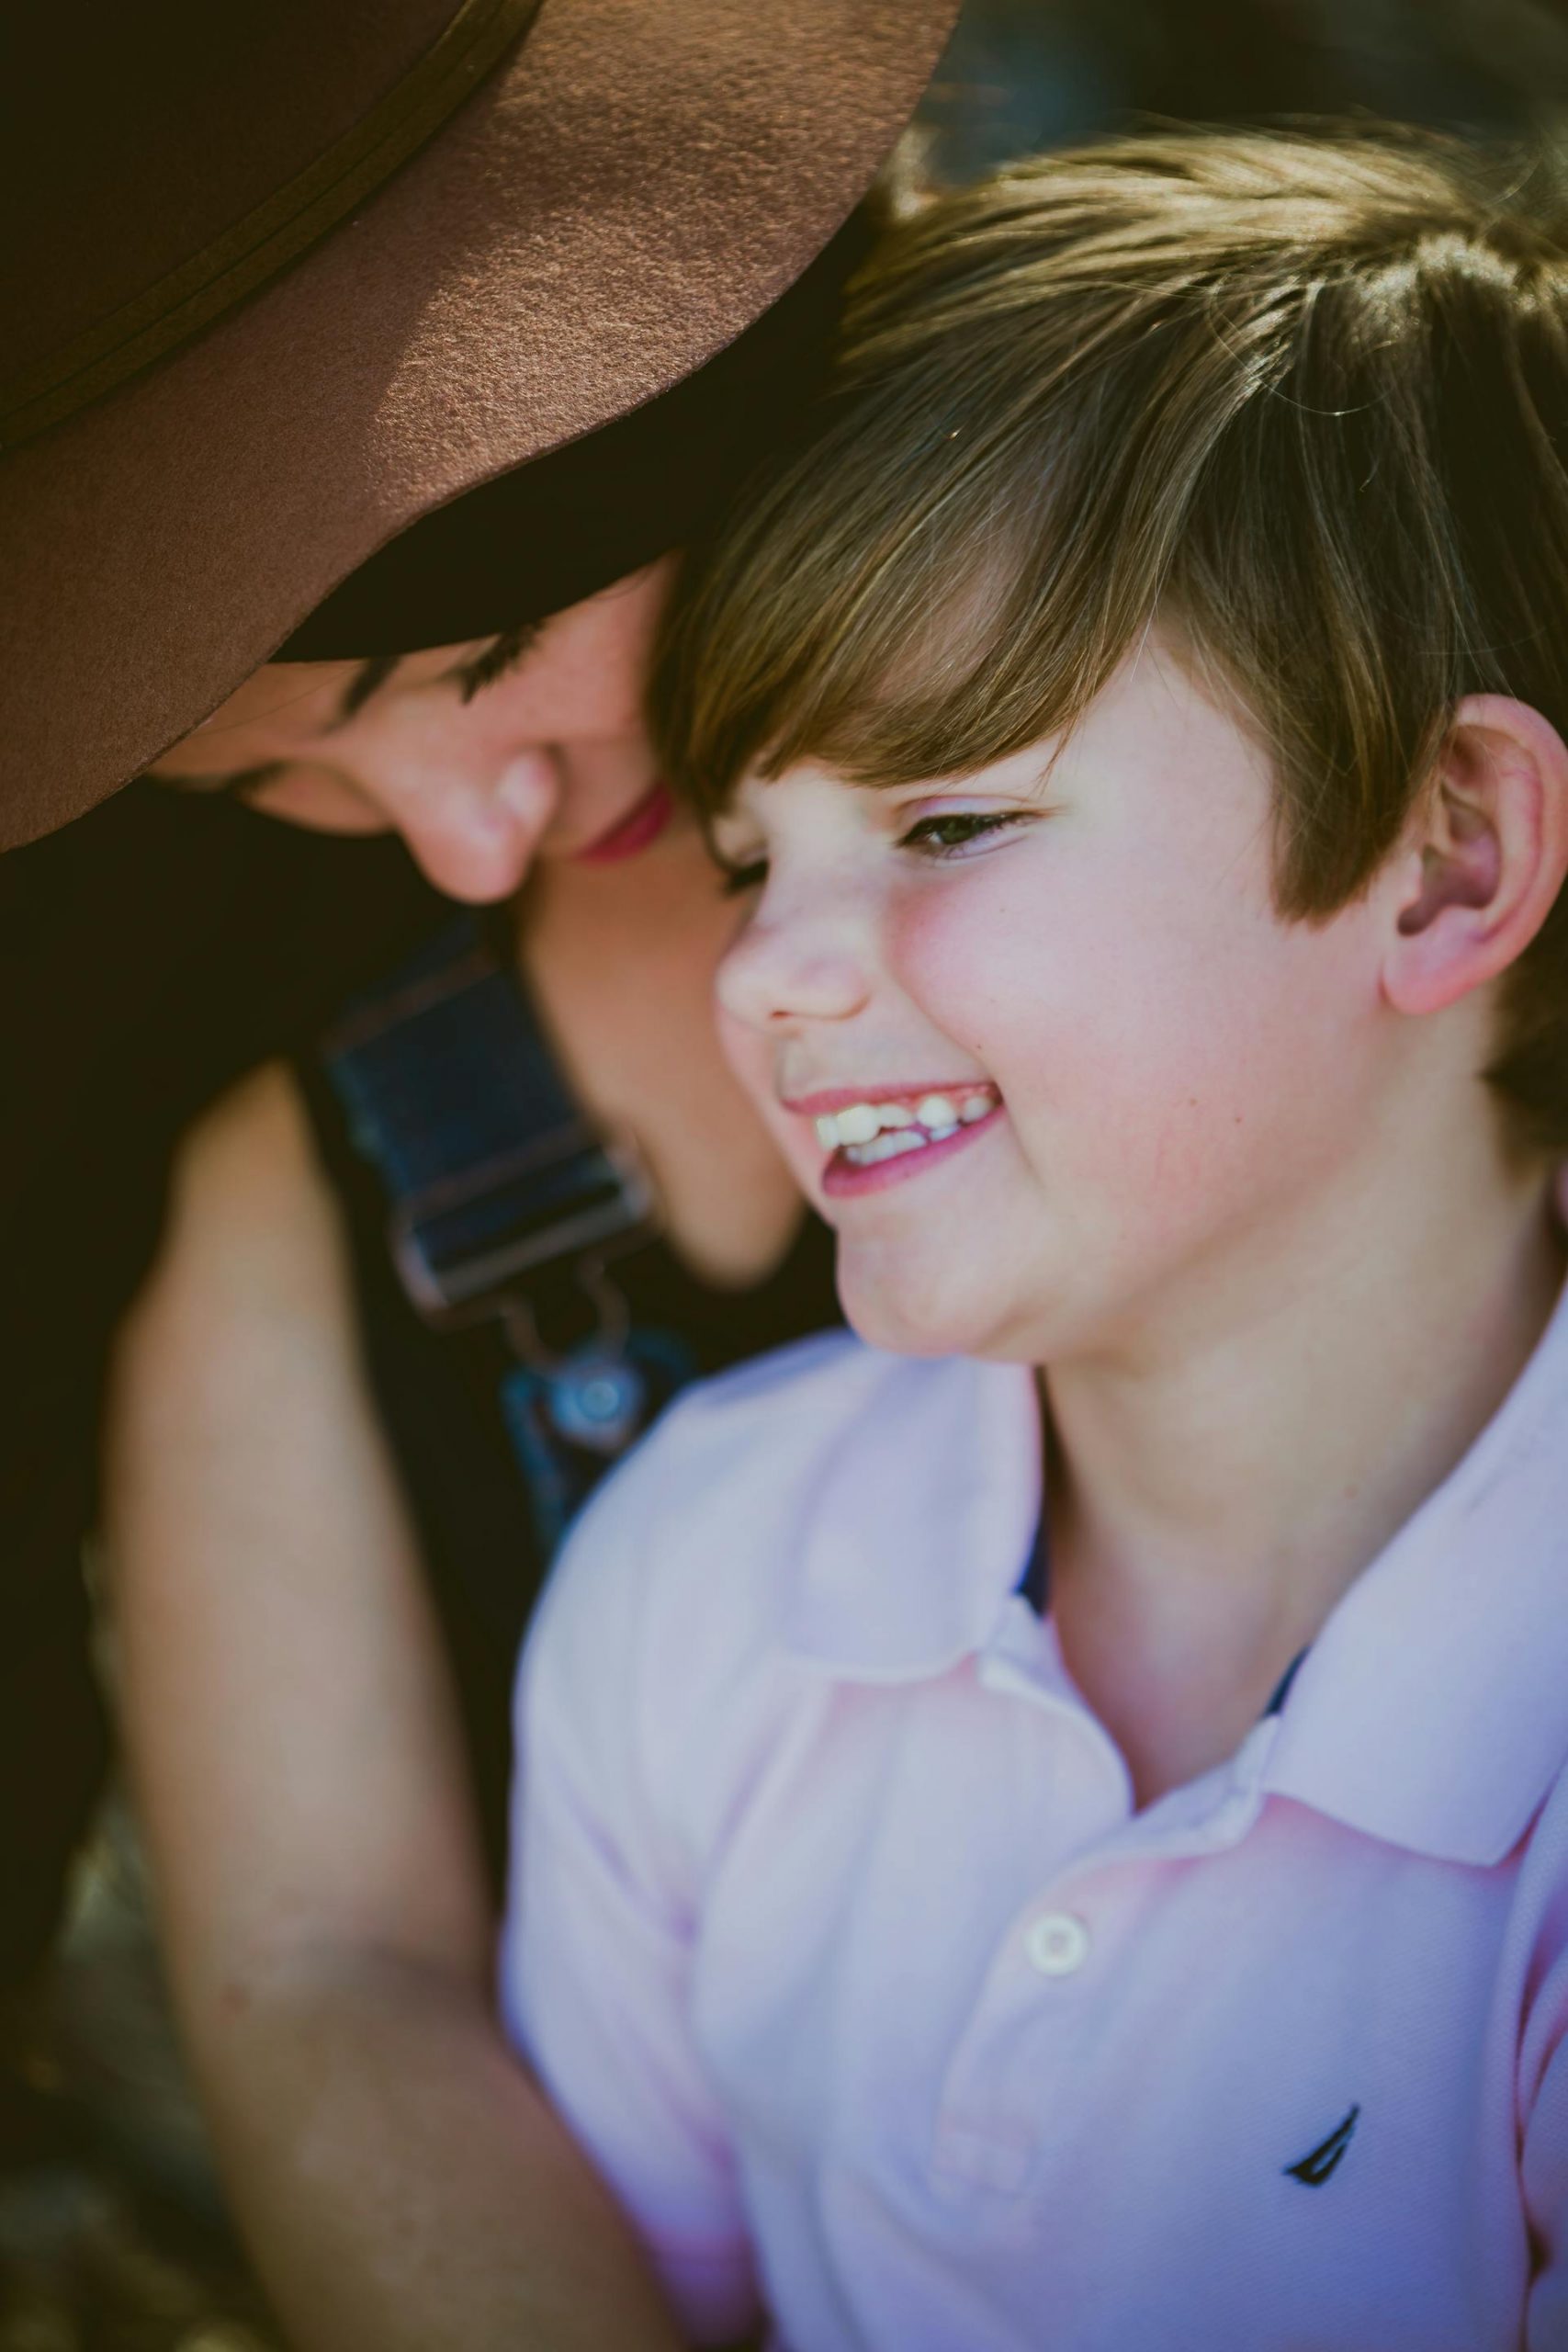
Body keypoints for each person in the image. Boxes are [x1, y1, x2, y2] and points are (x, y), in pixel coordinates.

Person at [502, 125, 1568, 2347]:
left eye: (946, 813)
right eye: (747, 856)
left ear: (1442, 854)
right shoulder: (704, 1577)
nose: (771, 972)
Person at [4, 1, 961, 2341]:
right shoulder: (296, 1141)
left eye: (510, 644)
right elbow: (322, 1977)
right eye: (284, 780)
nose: (461, 829)